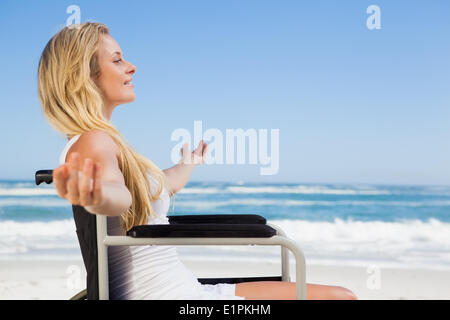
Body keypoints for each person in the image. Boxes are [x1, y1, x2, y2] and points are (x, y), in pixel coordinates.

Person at [38, 22, 357, 300]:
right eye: (118, 60)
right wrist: (97, 196)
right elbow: (116, 195)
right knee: (342, 298)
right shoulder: (94, 142)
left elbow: (160, 186)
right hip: (177, 298)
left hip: (188, 292)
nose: (132, 67)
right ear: (83, 77)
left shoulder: (96, 141)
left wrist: (189, 163)